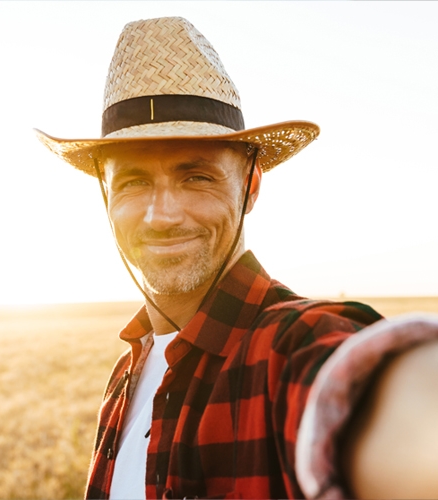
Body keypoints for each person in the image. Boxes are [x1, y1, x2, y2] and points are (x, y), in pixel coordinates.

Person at [36, 17, 438, 499]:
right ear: (106, 198)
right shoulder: (128, 375)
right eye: (134, 181)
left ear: (250, 186)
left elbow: (382, 401)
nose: (161, 215)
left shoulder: (292, 347)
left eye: (197, 177)